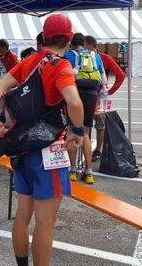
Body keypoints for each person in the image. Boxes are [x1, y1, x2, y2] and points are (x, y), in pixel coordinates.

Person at [0, 13, 85, 266]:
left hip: (21, 149)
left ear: (44, 36)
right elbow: (73, 101)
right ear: (69, 38)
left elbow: (1, 85)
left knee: (22, 216)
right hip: (49, 152)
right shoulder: (60, 66)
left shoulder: (31, 61)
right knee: (46, 222)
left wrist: (4, 119)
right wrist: (78, 131)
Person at [63, 33, 106, 184]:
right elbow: (104, 80)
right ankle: (88, 172)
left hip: (75, 93)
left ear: (71, 43)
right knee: (86, 132)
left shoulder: (68, 55)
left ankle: (73, 170)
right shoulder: (96, 56)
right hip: (92, 95)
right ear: (83, 43)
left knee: (73, 129)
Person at [84, 35, 125, 161]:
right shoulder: (82, 57)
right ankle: (86, 149)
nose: (82, 48)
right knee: (86, 123)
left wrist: (109, 91)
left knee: (100, 123)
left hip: (99, 97)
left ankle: (97, 150)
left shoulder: (104, 58)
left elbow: (120, 74)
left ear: (90, 46)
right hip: (86, 94)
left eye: (84, 46)